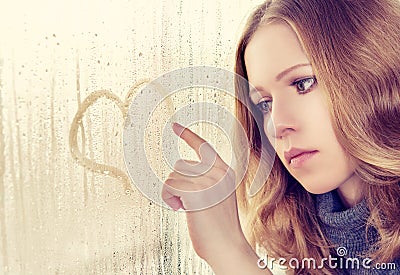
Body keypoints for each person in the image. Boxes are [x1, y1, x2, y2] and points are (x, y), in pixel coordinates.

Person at [162, 0, 400, 274]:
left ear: (375, 73)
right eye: (265, 104)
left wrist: (230, 252)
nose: (276, 125)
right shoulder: (305, 236)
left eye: (303, 83)